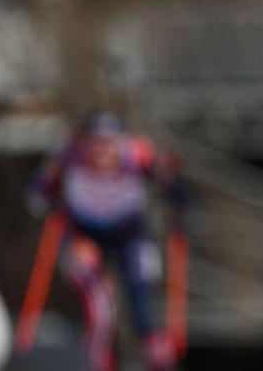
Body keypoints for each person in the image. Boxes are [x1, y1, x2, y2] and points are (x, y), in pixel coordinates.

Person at [28, 111, 185, 371]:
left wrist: (178, 208)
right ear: (85, 141)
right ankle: (95, 365)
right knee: (100, 309)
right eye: (96, 142)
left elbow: (173, 188)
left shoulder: (138, 154)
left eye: (110, 142)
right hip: (84, 236)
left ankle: (160, 360)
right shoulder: (68, 156)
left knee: (141, 301)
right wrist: (51, 203)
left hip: (129, 235)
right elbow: (37, 194)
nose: (103, 151)